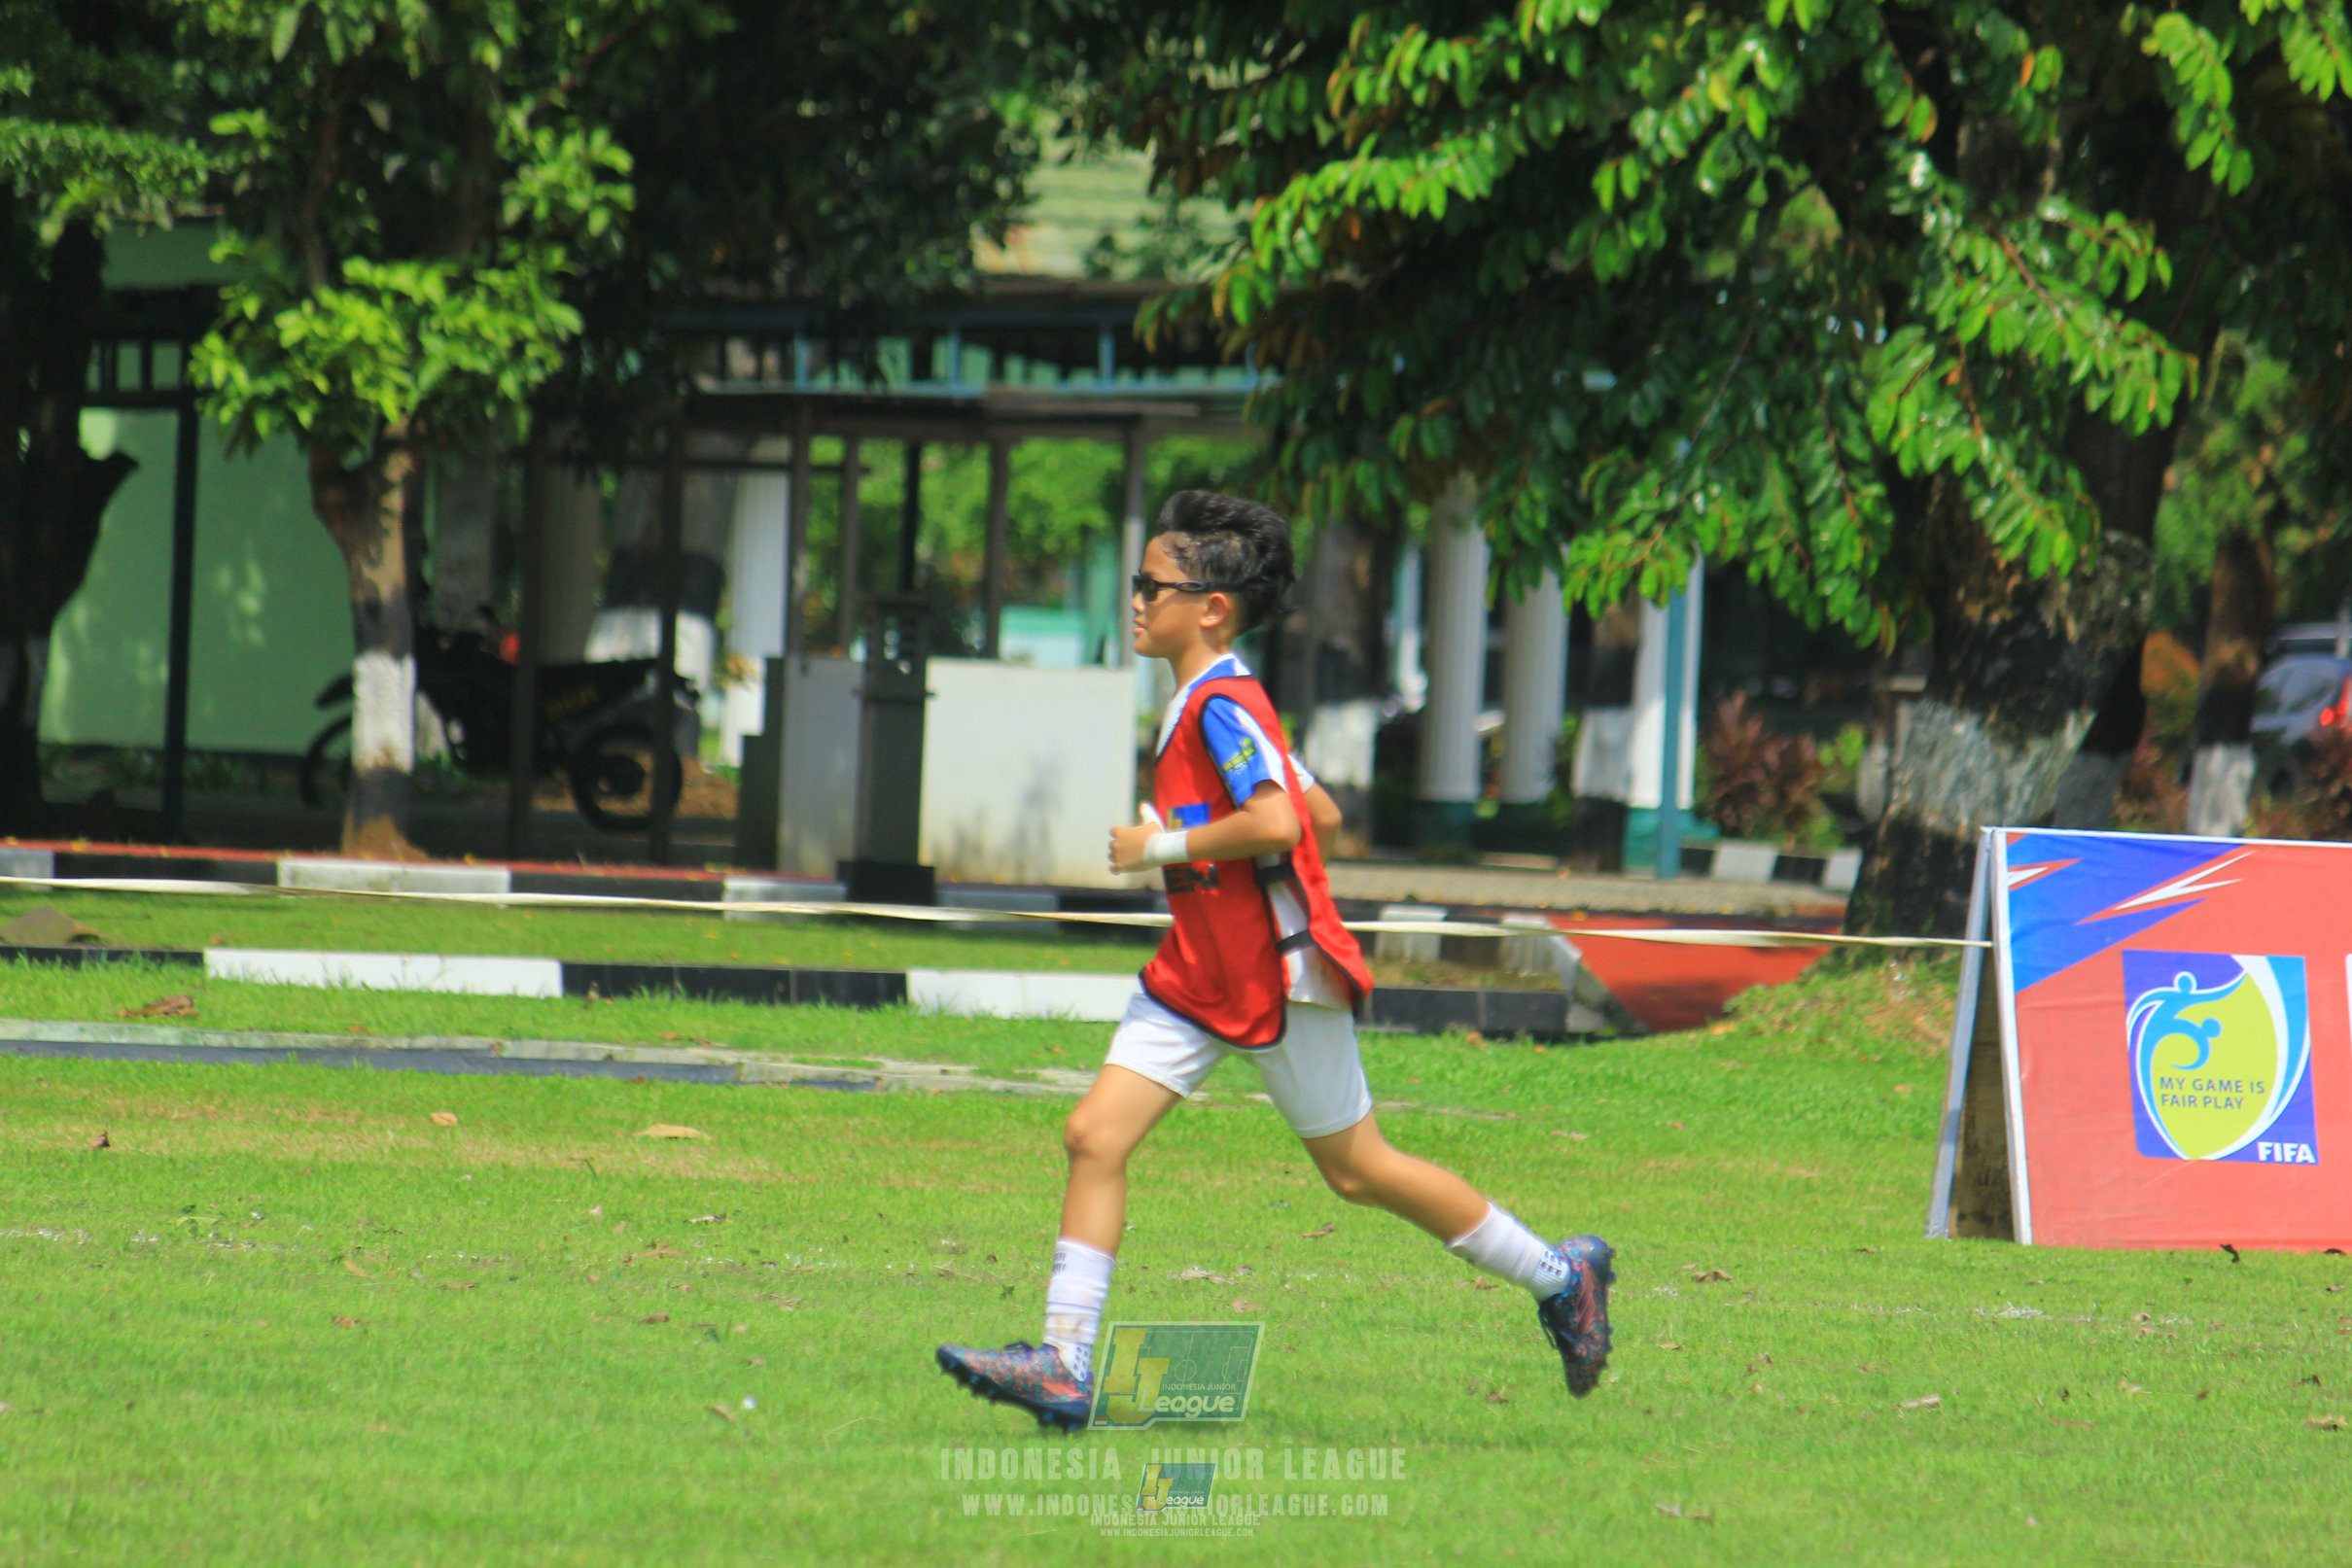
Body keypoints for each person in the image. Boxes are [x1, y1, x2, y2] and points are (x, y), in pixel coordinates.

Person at [935, 491, 1613, 1430]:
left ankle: (1559, 1275)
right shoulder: (1212, 699)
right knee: (1094, 1135)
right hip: (1197, 972)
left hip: (1273, 978)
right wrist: (1225, 860)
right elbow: (1317, 816)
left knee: (1358, 1170)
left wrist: (1162, 846)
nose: (1135, 600)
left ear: (1211, 608)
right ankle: (1063, 1361)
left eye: (1150, 585)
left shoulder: (1221, 703)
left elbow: (1283, 821)